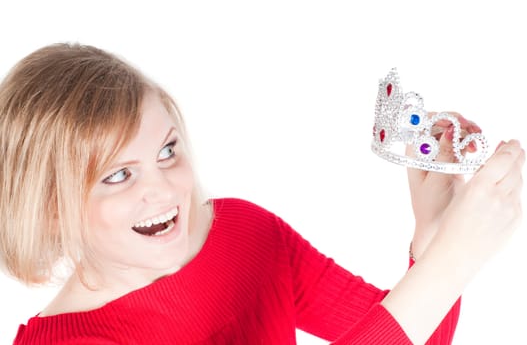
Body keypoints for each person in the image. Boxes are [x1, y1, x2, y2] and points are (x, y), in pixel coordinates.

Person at [0, 43, 523, 345]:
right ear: (49, 209)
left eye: (166, 150)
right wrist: (452, 262)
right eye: (117, 175)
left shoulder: (244, 231)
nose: (165, 189)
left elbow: (413, 329)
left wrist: (431, 238)